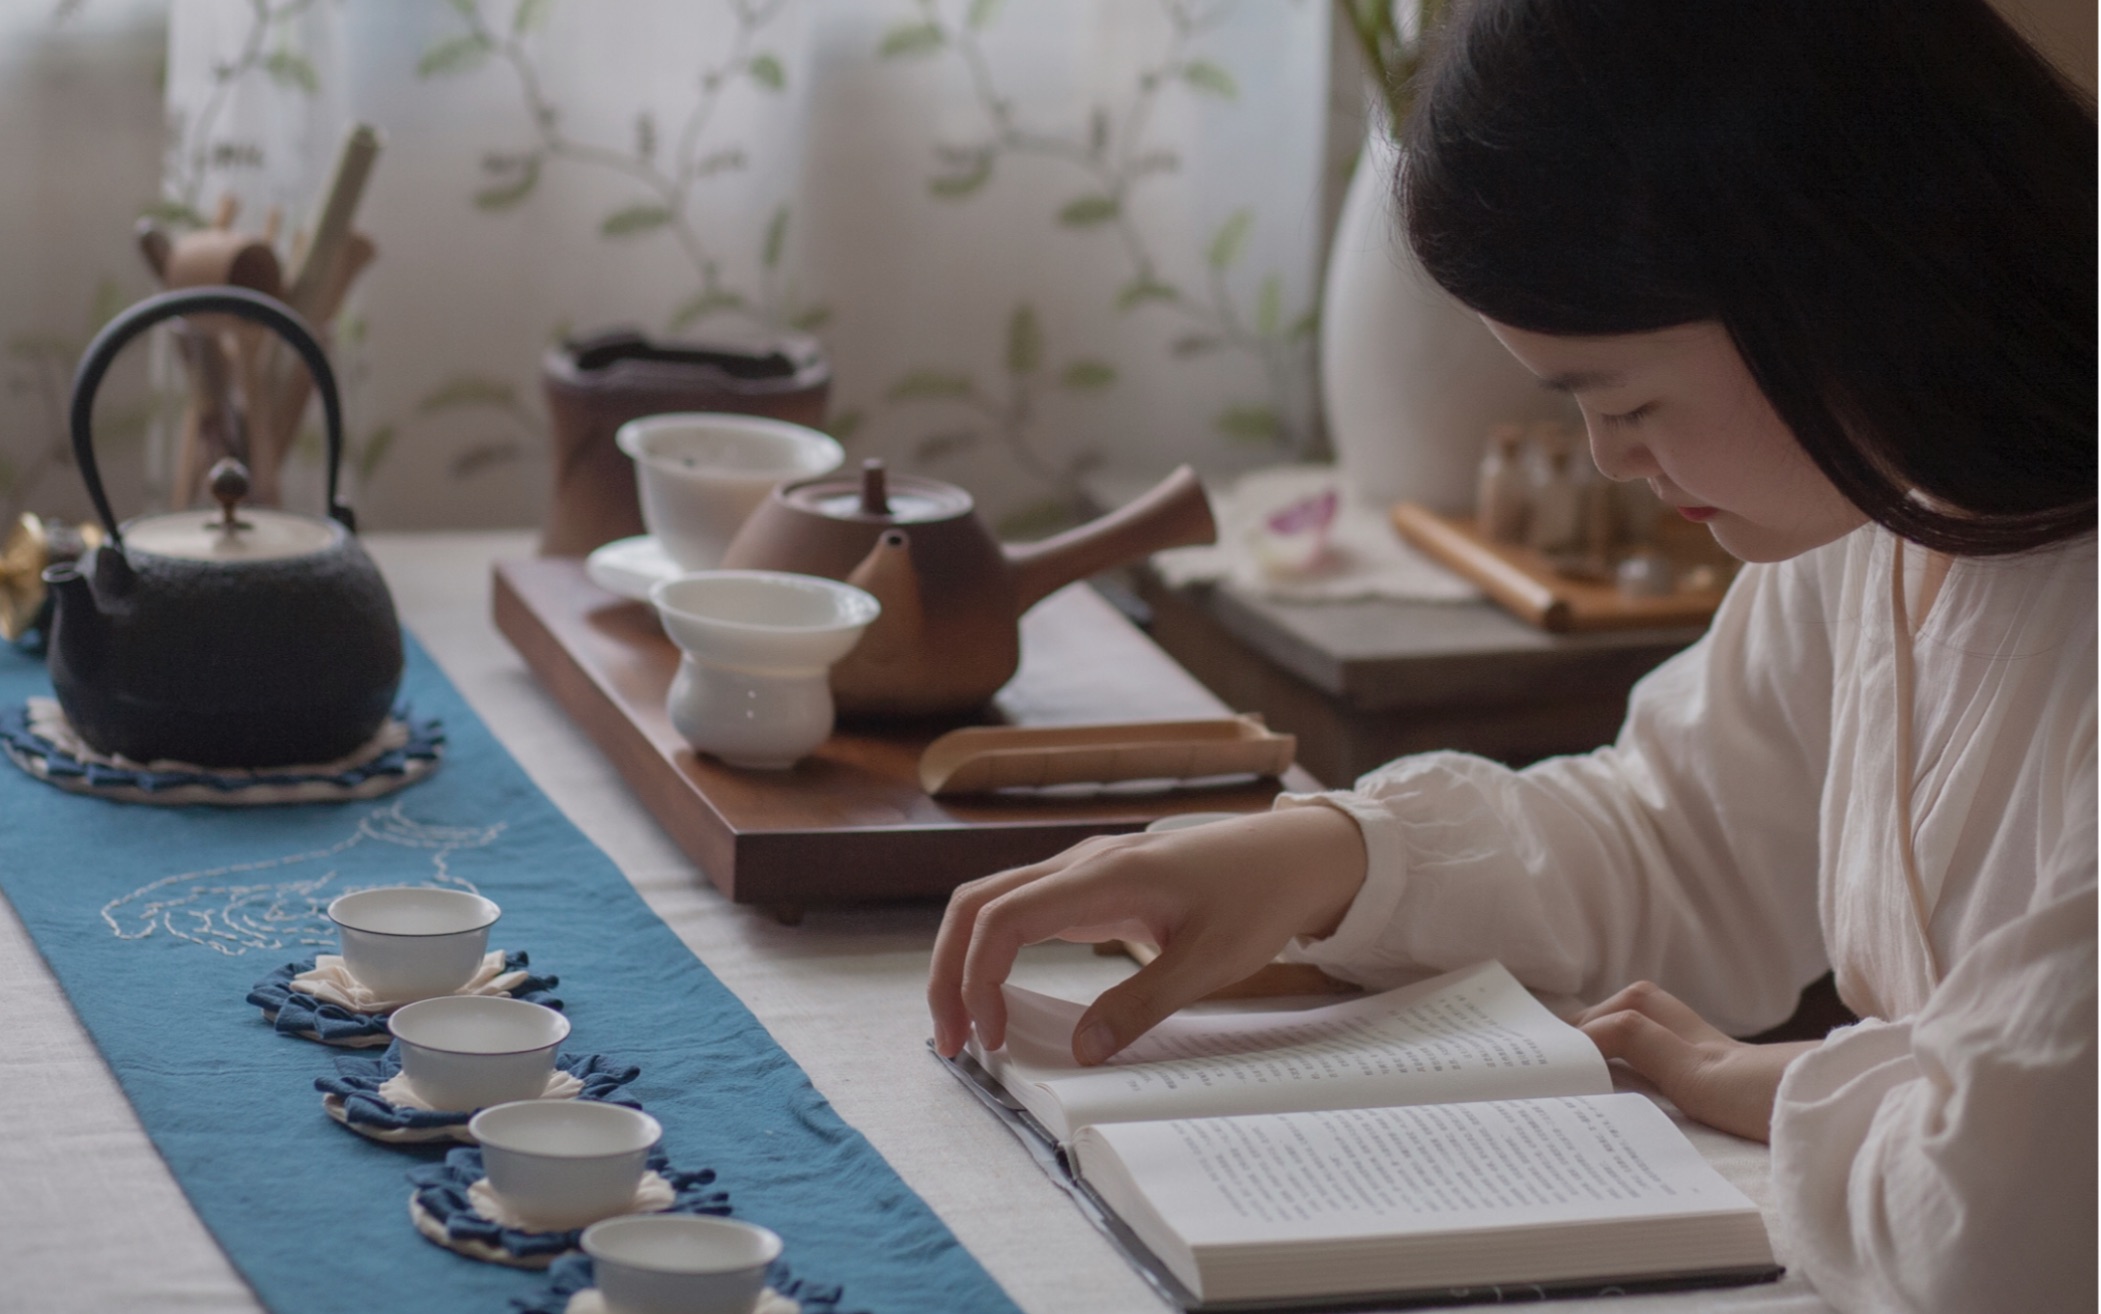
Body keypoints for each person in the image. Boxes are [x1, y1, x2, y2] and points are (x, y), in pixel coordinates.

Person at [926, 1, 2096, 1309]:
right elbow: (1683, 834)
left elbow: (2000, 1232)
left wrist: (1790, 1085)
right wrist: (1328, 858)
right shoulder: (1889, 494)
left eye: (1629, 400)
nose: (1606, 458)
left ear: (1829, 279)